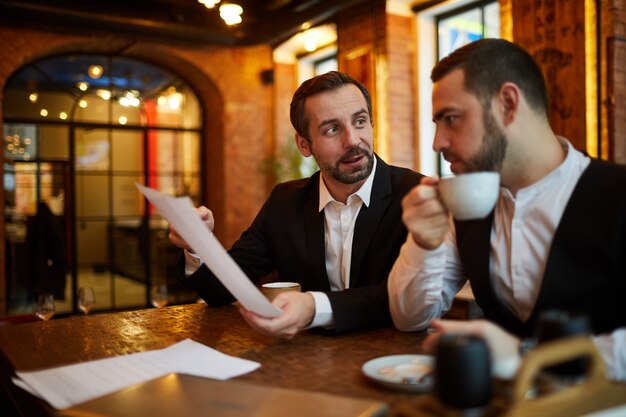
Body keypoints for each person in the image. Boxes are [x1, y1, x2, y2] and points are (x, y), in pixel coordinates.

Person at [387, 39, 626, 380]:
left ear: (508, 104)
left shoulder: (618, 195)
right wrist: (423, 245)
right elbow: (409, 319)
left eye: (451, 119)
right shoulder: (468, 205)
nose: (437, 142)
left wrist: (524, 356)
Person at [170, 71, 423, 339]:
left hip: (396, 362)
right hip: (306, 364)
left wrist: (315, 308)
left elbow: (408, 296)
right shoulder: (285, 201)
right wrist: (196, 243)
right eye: (332, 129)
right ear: (304, 144)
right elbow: (221, 289)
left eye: (360, 122)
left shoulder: (417, 195)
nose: (352, 140)